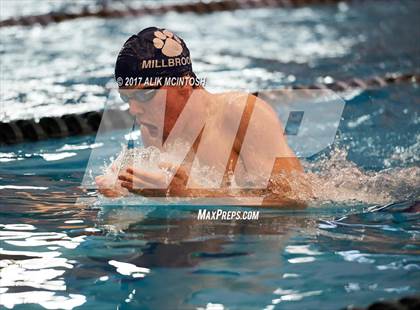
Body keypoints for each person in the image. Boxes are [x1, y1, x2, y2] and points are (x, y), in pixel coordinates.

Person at [95, 27, 309, 206]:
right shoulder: (152, 131)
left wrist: (191, 194)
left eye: (145, 94)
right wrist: (126, 194)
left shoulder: (243, 114)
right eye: (126, 98)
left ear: (184, 82)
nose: (133, 110)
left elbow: (296, 201)